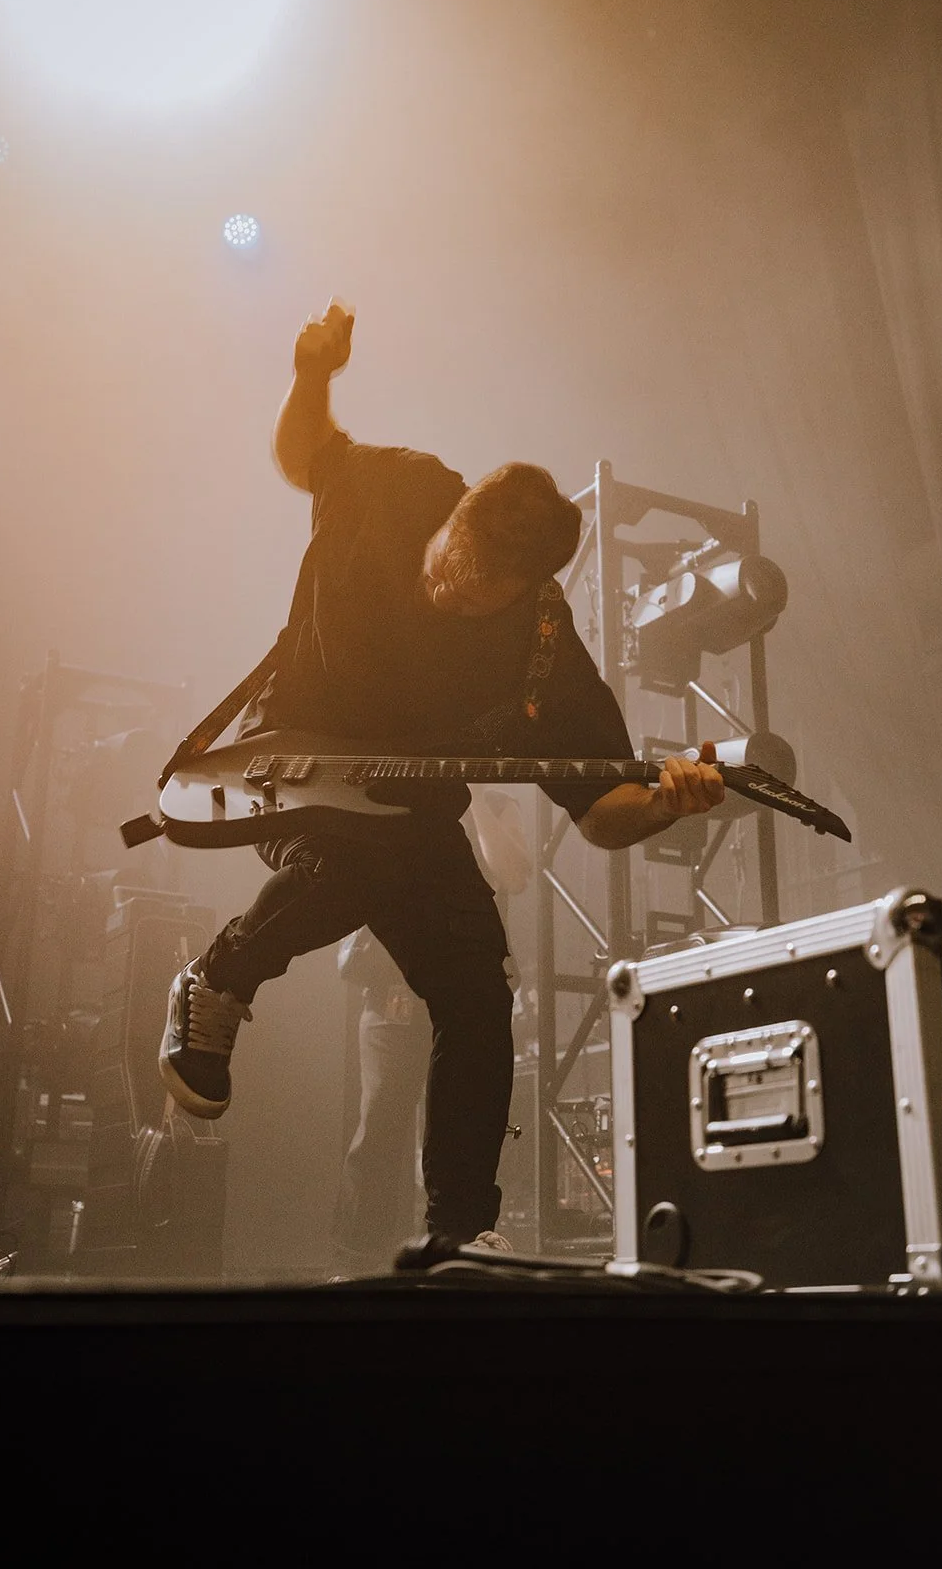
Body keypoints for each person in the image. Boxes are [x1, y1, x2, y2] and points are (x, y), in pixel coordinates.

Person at [158, 297, 725, 1255]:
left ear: (533, 588)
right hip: (289, 760)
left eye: (485, 593)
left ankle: (459, 1234)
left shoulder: (542, 644)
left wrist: (667, 802)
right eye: (455, 563)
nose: (455, 590)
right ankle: (220, 974)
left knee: (474, 996)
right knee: (354, 857)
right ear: (456, 510)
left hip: (411, 817)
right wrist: (311, 375)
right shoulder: (395, 484)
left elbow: (601, 811)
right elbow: (303, 456)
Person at [330, 786, 533, 1277]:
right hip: (394, 999)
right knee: (378, 1133)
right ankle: (359, 1262)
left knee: (461, 1132)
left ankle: (450, 1254)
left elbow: (513, 873)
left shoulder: (499, 803)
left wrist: (479, 796)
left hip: (467, 997)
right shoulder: (402, 790)